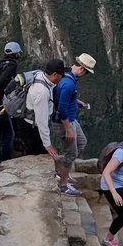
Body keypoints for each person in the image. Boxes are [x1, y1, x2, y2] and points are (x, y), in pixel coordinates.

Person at [52, 53, 96, 195]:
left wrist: (77, 102)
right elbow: (61, 109)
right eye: (87, 72)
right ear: (82, 69)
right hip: (64, 122)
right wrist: (68, 130)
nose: (86, 75)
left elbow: (65, 99)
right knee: (71, 153)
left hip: (71, 119)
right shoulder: (68, 84)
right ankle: (63, 185)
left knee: (82, 143)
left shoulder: (69, 78)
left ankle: (63, 172)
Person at [16, 59, 65, 163]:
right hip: (33, 128)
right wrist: (47, 144)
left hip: (28, 123)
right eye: (61, 75)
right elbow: (41, 121)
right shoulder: (42, 92)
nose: (62, 78)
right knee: (38, 158)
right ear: (55, 74)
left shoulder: (39, 74)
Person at [0, 40, 22, 168]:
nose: (19, 55)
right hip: (1, 103)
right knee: (8, 133)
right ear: (15, 53)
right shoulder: (11, 65)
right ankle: (6, 162)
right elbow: (2, 81)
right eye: (18, 53)